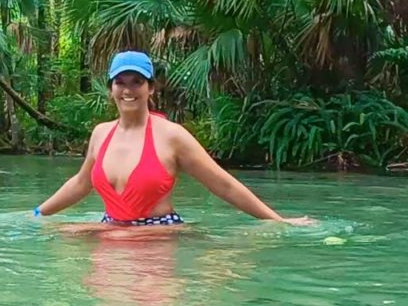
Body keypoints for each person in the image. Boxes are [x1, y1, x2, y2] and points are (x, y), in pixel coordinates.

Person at [34, 50, 314, 226]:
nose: (128, 90)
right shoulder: (101, 133)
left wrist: (279, 221)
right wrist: (36, 214)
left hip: (157, 237)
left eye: (137, 82)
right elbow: (81, 183)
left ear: (151, 88)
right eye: (120, 82)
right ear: (111, 89)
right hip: (111, 233)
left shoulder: (172, 136)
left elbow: (223, 184)